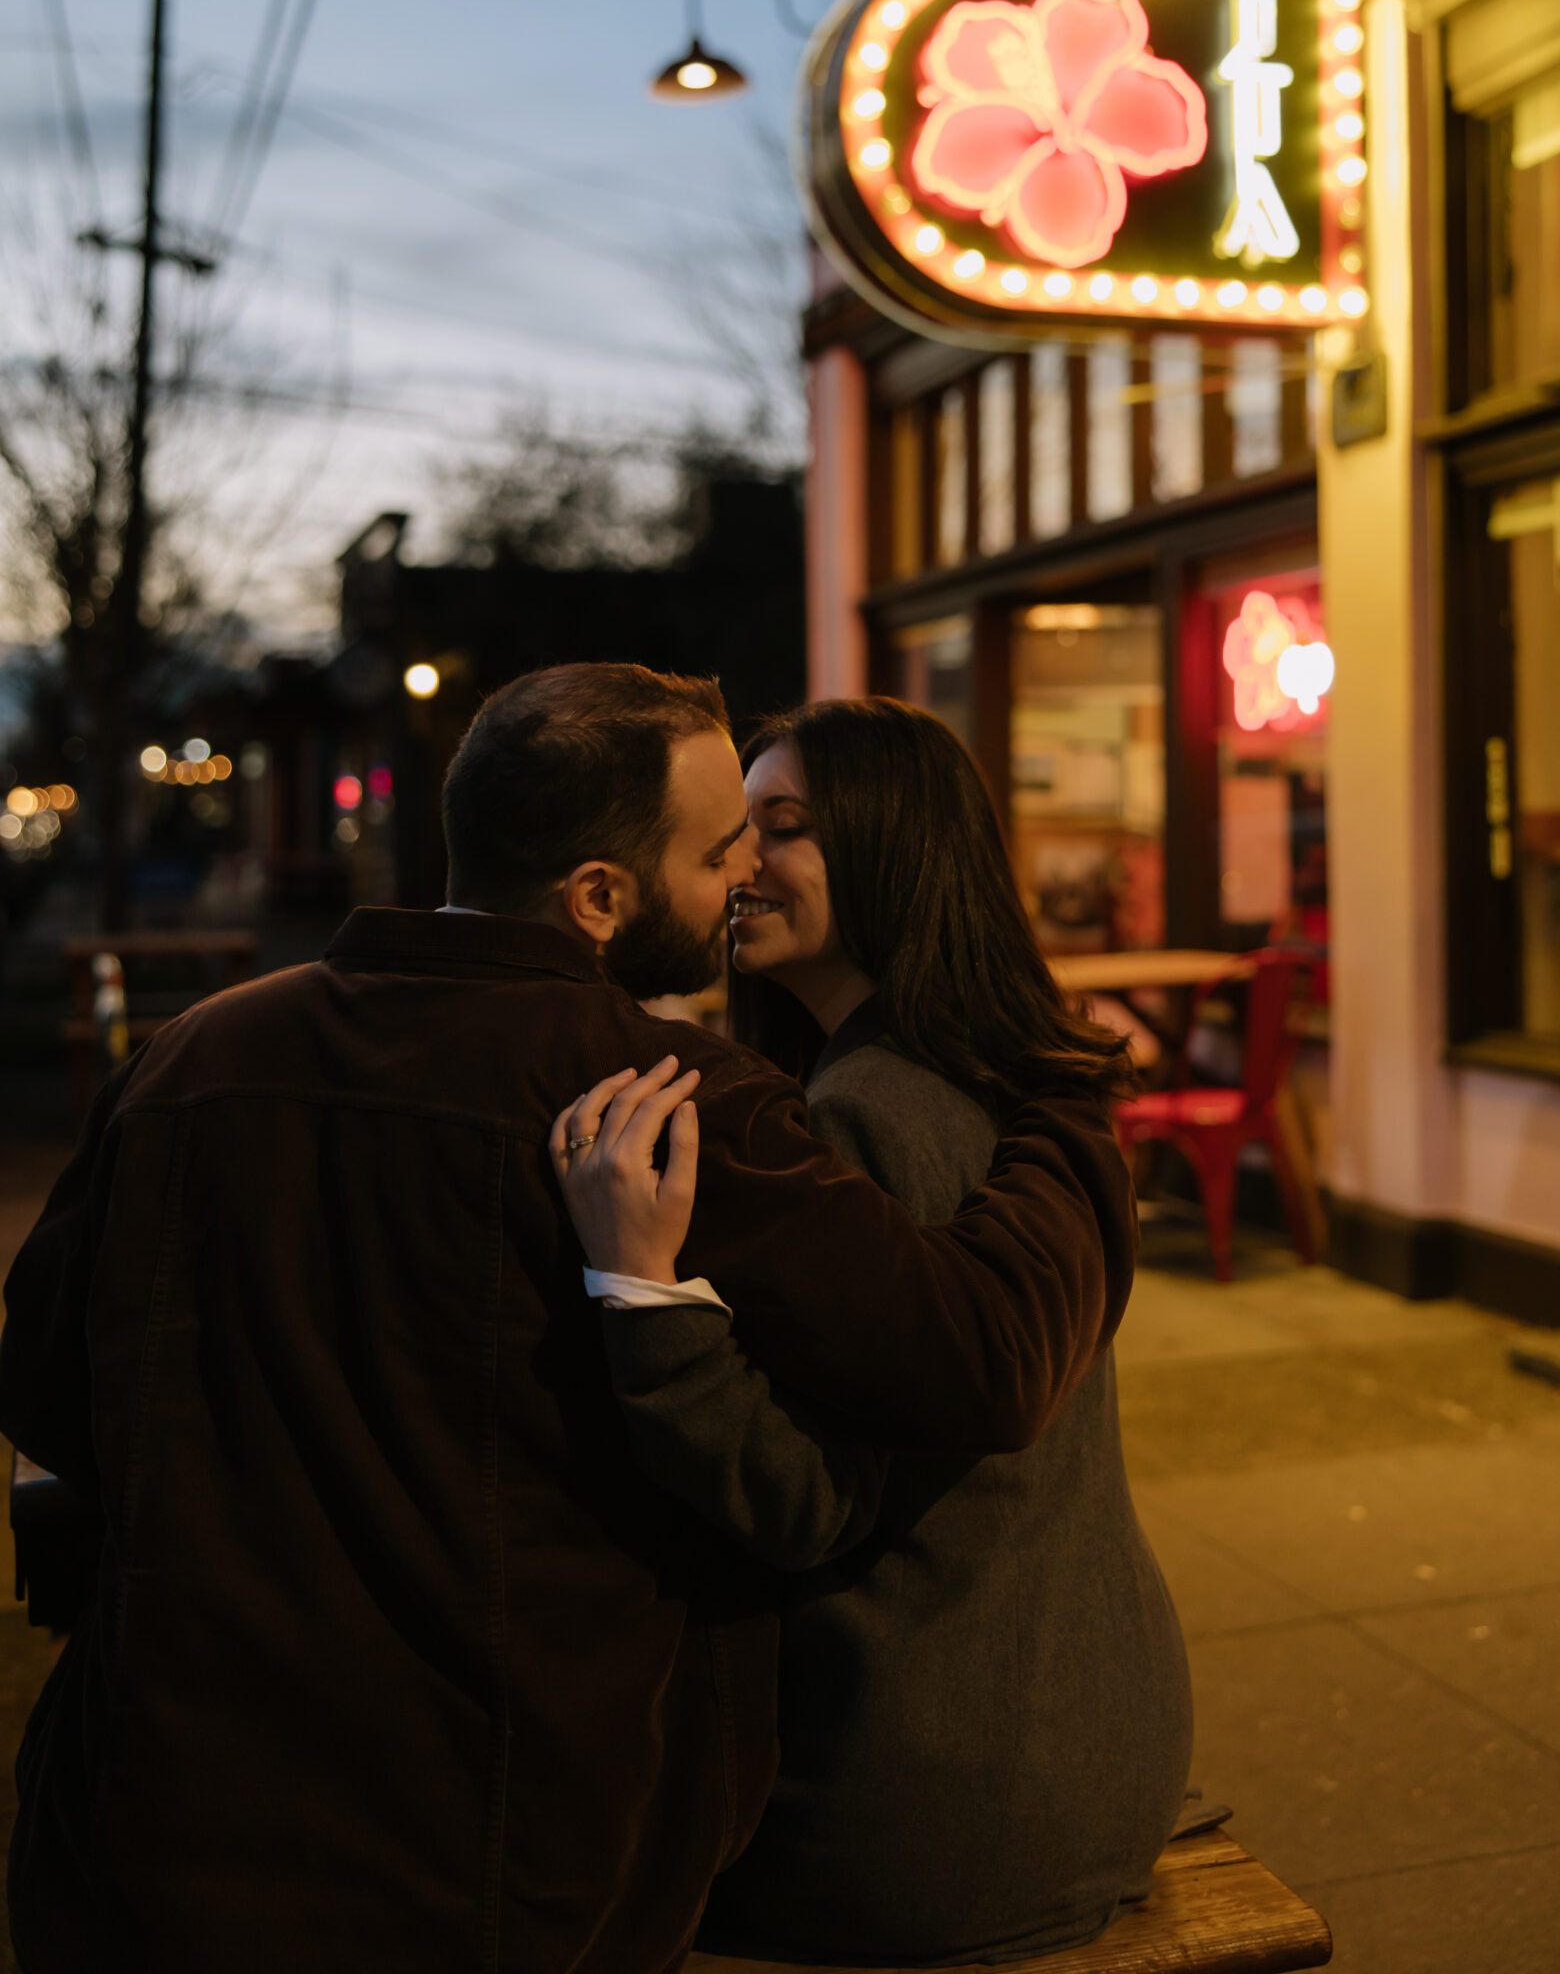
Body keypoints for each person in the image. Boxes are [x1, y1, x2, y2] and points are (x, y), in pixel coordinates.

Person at [0, 663, 1135, 1974]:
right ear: (599, 896)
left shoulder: (187, 1060)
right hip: (515, 1867)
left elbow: (44, 1393)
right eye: (718, 850)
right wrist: (1066, 1099)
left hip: (157, 1833)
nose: (737, 883)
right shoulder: (668, 1106)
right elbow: (976, 1361)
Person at [557, 697, 1192, 1968]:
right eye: (738, 832)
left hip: (934, 1804)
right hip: (1105, 1743)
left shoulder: (867, 1118)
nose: (741, 864)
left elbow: (799, 1499)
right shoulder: (1000, 1080)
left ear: (898, 844)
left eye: (781, 827)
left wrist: (639, 1288)